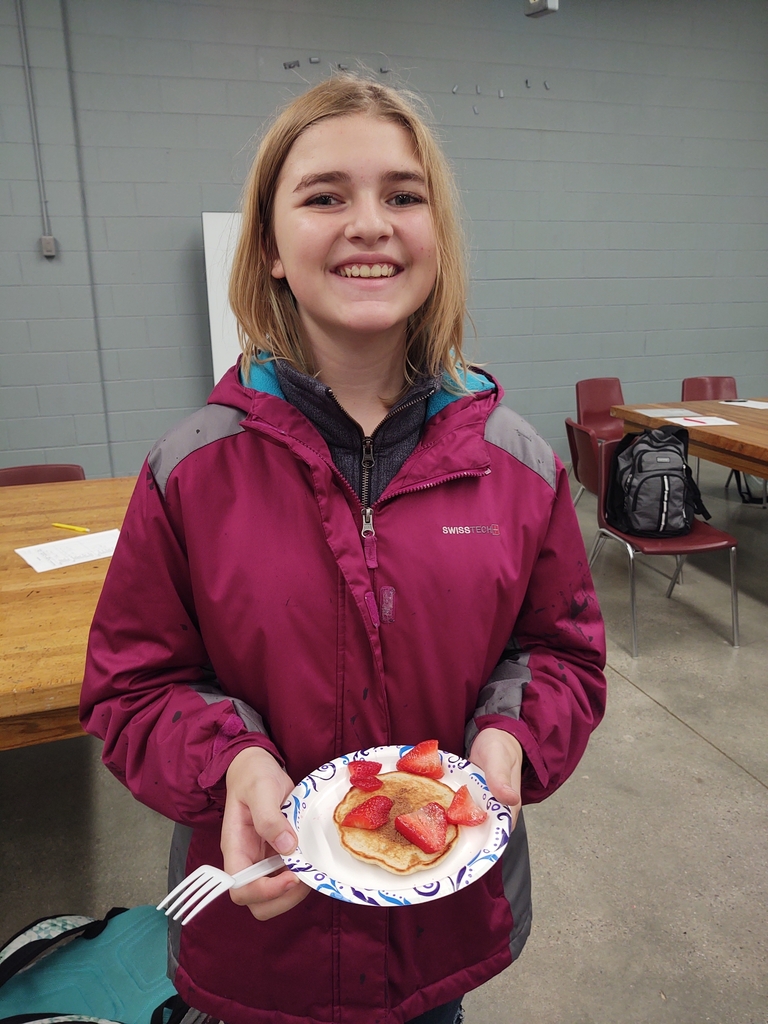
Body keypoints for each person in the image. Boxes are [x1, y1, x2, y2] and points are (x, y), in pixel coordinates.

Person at [81, 73, 607, 1024]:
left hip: (436, 934)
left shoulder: (518, 468)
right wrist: (233, 765)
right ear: (272, 248)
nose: (370, 222)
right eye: (326, 196)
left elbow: (560, 653)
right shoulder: (190, 468)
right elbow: (133, 688)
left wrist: (511, 732)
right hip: (256, 939)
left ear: (435, 239)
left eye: (404, 196)